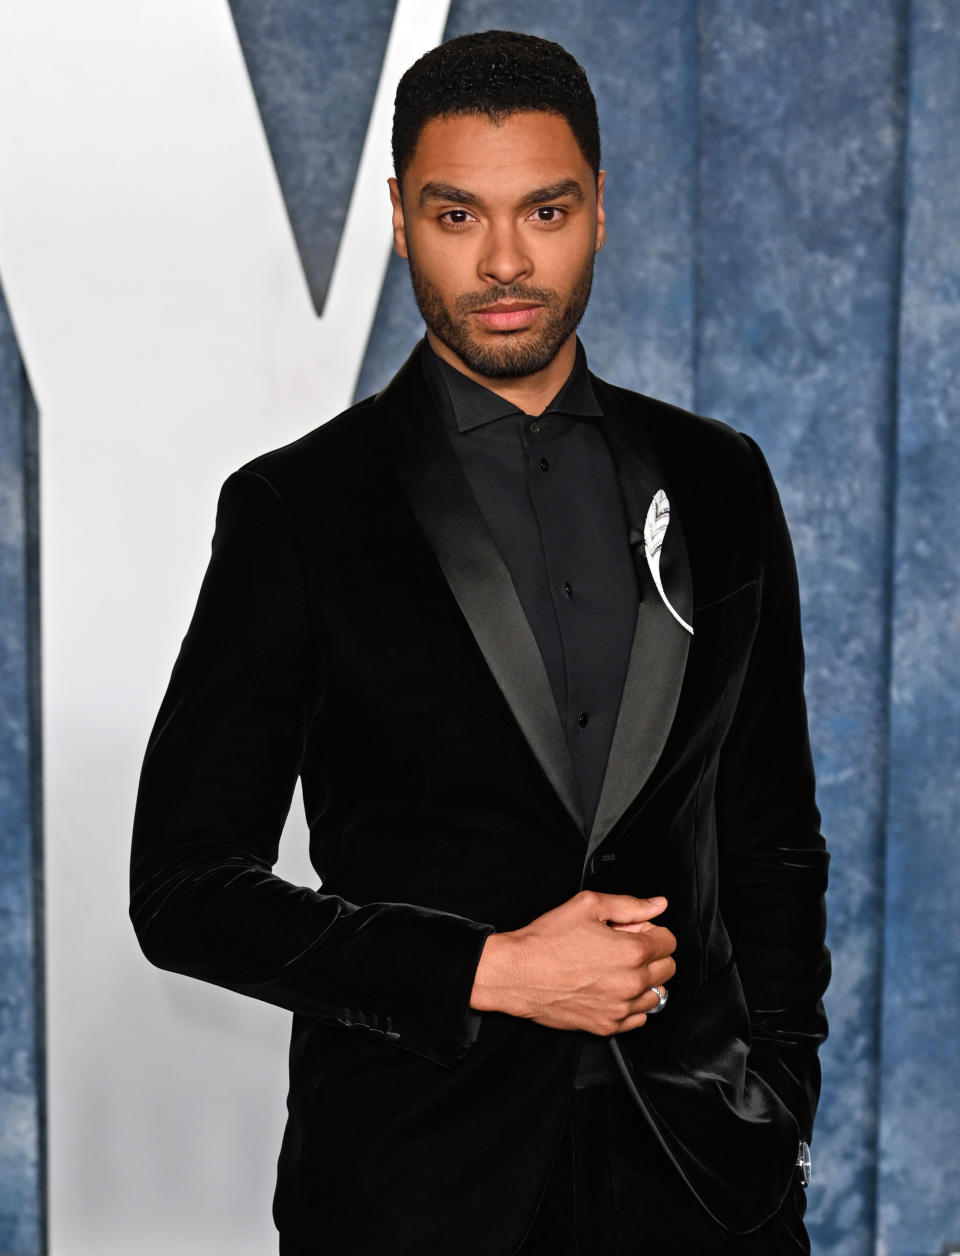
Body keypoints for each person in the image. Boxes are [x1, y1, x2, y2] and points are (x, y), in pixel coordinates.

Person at [130, 28, 830, 1256]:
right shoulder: (299, 509)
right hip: (414, 1186)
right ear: (401, 218)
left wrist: (777, 1111)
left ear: (600, 210)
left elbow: (770, 835)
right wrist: (483, 969)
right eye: (459, 216)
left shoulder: (721, 481)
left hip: (706, 1187)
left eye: (545, 209)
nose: (506, 260)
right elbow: (184, 889)